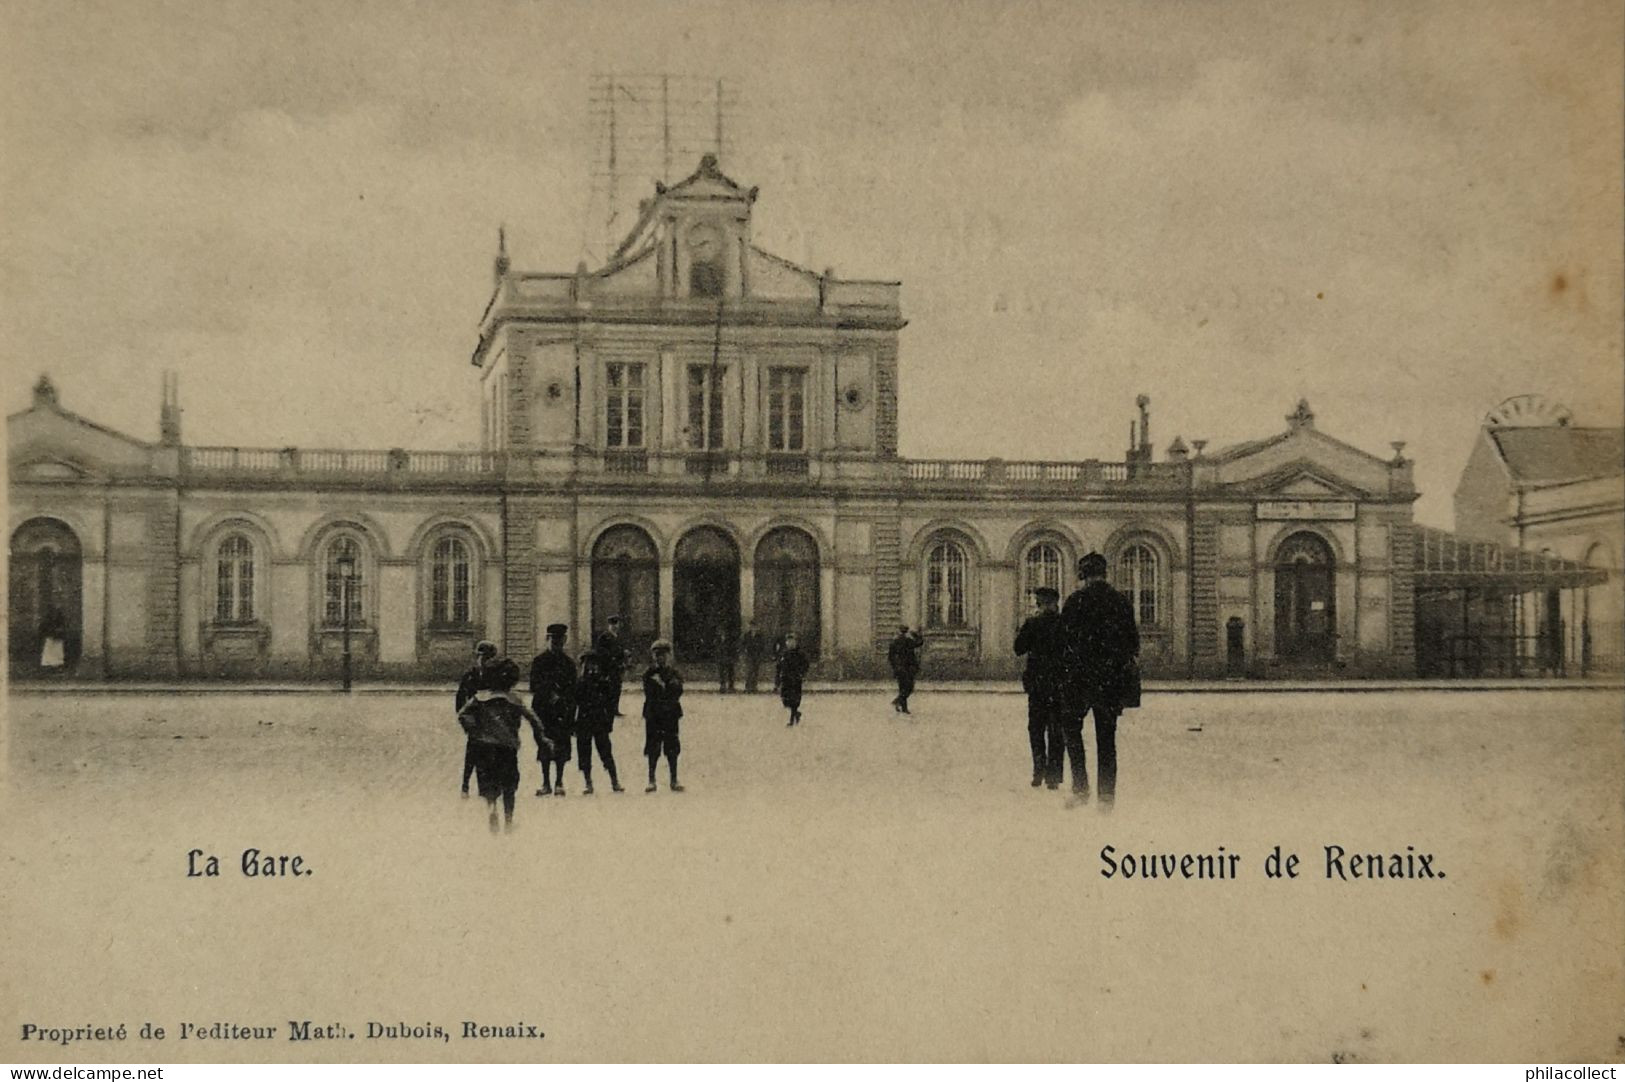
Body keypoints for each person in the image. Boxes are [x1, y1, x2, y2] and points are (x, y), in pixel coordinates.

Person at [1061, 552, 1140, 807]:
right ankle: (1106, 797)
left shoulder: (1075, 601)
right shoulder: (1121, 602)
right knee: (1107, 739)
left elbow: (1065, 643)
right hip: (1110, 680)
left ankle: (1081, 790)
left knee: (1072, 731)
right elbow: (1132, 644)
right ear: (1105, 573)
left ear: (1083, 575)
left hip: (1080, 679)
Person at [456, 656, 552, 833]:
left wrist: (474, 729)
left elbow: (462, 714)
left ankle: (492, 808)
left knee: (488, 783)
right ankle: (508, 820)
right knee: (509, 786)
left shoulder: (480, 697)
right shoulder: (514, 699)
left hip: (484, 747)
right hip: (507, 748)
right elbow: (533, 719)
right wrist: (543, 739)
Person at [1014, 586, 1070, 789]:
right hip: (1060, 684)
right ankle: (1053, 777)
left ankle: (1038, 771)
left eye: (1038, 603)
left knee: (1036, 728)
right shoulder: (1065, 624)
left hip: (1038, 684)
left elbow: (1018, 648)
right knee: (1057, 731)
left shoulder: (1032, 623)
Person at [528, 623, 577, 797]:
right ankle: (546, 782)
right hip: (543, 710)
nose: (556, 644)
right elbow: (533, 685)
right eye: (552, 640)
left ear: (564, 641)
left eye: (559, 641)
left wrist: (563, 700)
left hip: (562, 711)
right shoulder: (539, 661)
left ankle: (559, 782)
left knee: (562, 746)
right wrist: (549, 693)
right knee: (544, 746)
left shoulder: (568, 664)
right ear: (547, 640)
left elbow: (573, 689)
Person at [575, 633, 625, 794]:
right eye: (586, 665)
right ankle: (588, 782)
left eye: (592, 665)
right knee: (584, 753)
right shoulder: (580, 683)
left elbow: (611, 703)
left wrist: (608, 721)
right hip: (583, 721)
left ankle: (614, 780)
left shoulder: (603, 683)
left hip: (599, 720)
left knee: (605, 750)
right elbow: (573, 703)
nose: (589, 668)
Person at [455, 640, 499, 797]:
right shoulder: (469, 675)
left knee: (489, 754)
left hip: (490, 720)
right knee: (472, 754)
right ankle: (465, 785)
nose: (482, 660)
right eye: (480, 656)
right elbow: (460, 698)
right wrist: (464, 719)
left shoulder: (495, 676)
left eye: (486, 657)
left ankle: (485, 787)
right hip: (474, 720)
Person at [642, 639, 685, 793]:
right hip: (654, 714)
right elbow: (650, 693)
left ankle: (674, 779)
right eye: (657, 655)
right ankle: (651, 779)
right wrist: (665, 687)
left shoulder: (674, 673)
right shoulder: (649, 673)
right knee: (653, 747)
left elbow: (677, 691)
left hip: (670, 714)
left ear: (668, 656)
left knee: (672, 747)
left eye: (663, 655)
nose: (660, 658)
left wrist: (664, 686)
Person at [887, 625, 924, 714]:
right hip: (908, 667)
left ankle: (903, 707)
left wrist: (895, 667)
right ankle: (898, 701)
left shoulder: (894, 642)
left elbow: (890, 657)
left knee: (902, 687)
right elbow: (919, 643)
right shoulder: (908, 641)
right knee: (909, 687)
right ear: (906, 632)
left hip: (900, 668)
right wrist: (917, 635)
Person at [777, 631, 810, 726]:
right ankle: (796, 714)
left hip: (795, 679)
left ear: (796, 642)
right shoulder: (784, 653)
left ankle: (792, 720)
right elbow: (779, 667)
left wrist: (801, 673)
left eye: (792, 641)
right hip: (785, 679)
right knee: (785, 700)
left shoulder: (800, 653)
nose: (790, 643)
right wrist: (777, 680)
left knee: (794, 700)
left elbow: (806, 664)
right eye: (788, 641)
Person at [602, 615, 629, 717]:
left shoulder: (618, 637)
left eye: (616, 624)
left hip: (617, 667)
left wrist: (624, 655)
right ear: (609, 625)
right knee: (609, 689)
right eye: (612, 624)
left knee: (617, 688)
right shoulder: (604, 637)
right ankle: (608, 709)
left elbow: (620, 650)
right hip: (608, 667)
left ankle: (615, 709)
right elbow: (601, 652)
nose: (614, 626)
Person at [38, 606, 67, 674]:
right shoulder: (47, 620)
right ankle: (48, 666)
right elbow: (43, 628)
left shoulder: (60, 620)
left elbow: (63, 627)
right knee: (49, 651)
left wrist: (59, 632)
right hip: (50, 638)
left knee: (58, 652)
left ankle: (57, 666)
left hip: (57, 639)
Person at [740, 622, 765, 693]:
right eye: (752, 626)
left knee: (755, 671)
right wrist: (745, 651)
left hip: (756, 655)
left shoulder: (760, 636)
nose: (753, 628)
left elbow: (762, 645)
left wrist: (760, 653)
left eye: (755, 626)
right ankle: (748, 687)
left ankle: (754, 686)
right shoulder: (747, 635)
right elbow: (743, 644)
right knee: (749, 671)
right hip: (749, 655)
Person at [717, 621, 738, 693]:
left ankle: (731, 686)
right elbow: (717, 649)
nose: (721, 633)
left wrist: (732, 657)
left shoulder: (730, 640)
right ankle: (723, 686)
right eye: (720, 631)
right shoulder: (718, 639)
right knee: (722, 673)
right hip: (721, 659)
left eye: (722, 631)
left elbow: (732, 648)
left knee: (730, 673)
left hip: (729, 658)